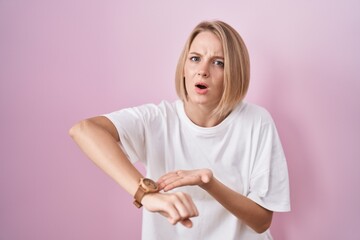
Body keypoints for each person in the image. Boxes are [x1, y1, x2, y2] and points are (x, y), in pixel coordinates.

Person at [69, 20, 290, 240]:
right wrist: (146, 195)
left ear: (235, 73)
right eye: (195, 59)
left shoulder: (257, 122)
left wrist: (208, 183)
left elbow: (261, 221)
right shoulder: (158, 120)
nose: (202, 71)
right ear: (184, 68)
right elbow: (84, 130)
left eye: (218, 63)